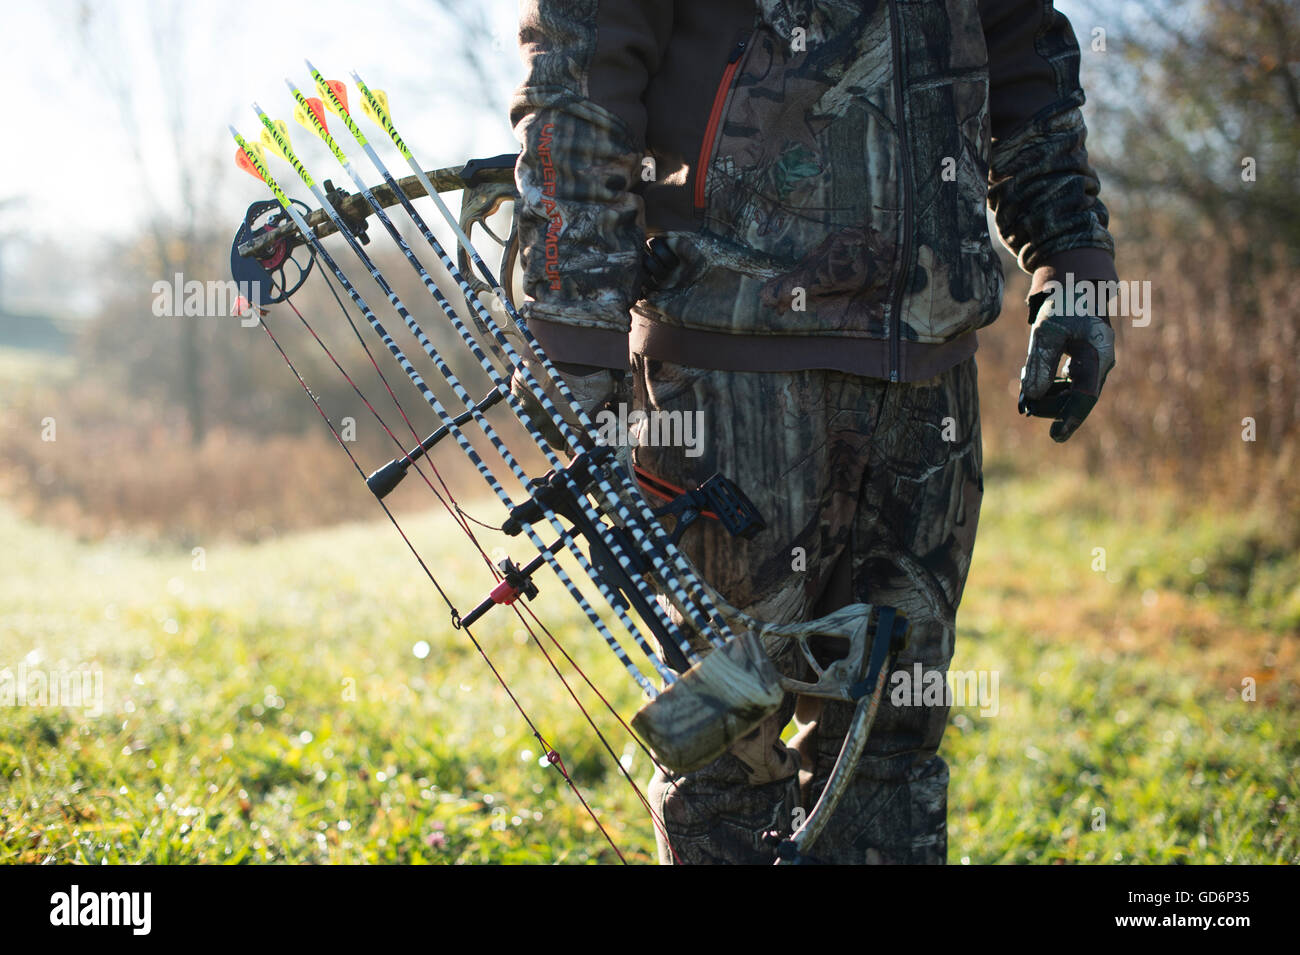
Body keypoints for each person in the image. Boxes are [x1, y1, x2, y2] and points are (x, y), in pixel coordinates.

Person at [509, 0, 1117, 864]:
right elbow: (581, 57)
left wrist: (1074, 261)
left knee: (893, 747)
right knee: (725, 751)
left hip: (927, 373)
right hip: (719, 370)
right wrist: (573, 323)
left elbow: (1022, 49)